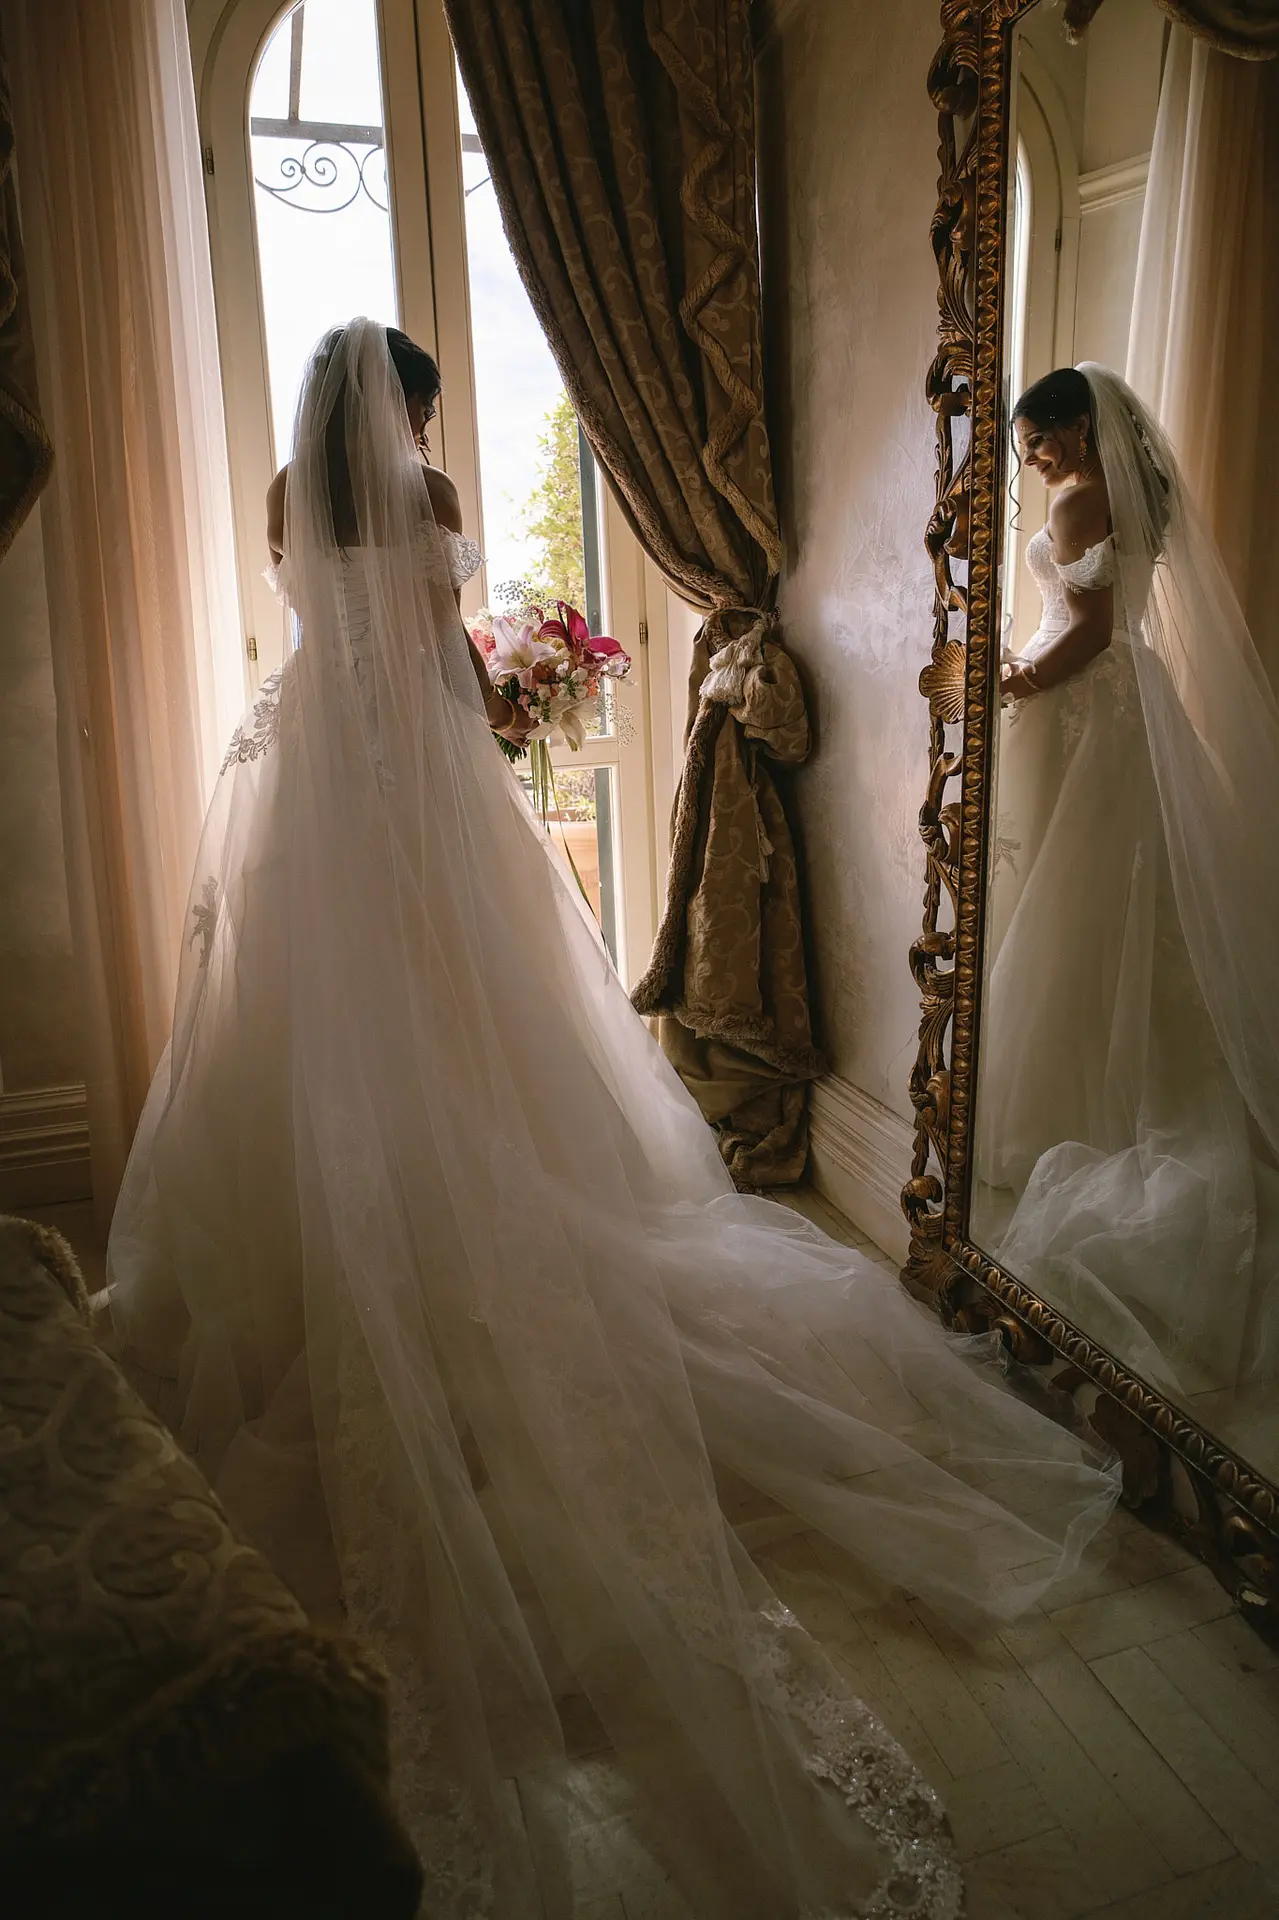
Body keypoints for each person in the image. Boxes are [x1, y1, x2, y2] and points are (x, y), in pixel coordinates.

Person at [109, 320, 1118, 1920]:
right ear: (413, 409)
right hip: (409, 802)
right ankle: (464, 1253)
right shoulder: (426, 483)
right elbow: (438, 660)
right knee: (467, 1048)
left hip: (308, 789)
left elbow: (306, 626)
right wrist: (485, 739)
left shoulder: (291, 486)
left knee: (312, 1055)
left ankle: (337, 1267)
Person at [983, 363, 1279, 1412]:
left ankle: (1072, 1103)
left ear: (1070, 424)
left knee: (1071, 899)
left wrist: (1007, 680)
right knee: (1111, 905)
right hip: (1123, 702)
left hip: (1082, 702)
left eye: (1038, 441)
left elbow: (1089, 631)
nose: (1035, 464)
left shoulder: (1078, 496)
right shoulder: (1133, 490)